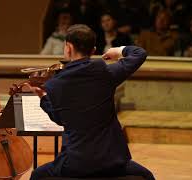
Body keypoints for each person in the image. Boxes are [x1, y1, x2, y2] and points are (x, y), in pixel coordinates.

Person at [27, 24, 155, 179]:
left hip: (75, 163)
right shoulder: (107, 73)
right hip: (111, 161)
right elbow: (139, 53)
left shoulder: (55, 84)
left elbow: (60, 119)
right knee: (146, 176)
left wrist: (43, 98)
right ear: (93, 50)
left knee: (37, 175)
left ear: (68, 47)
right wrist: (118, 50)